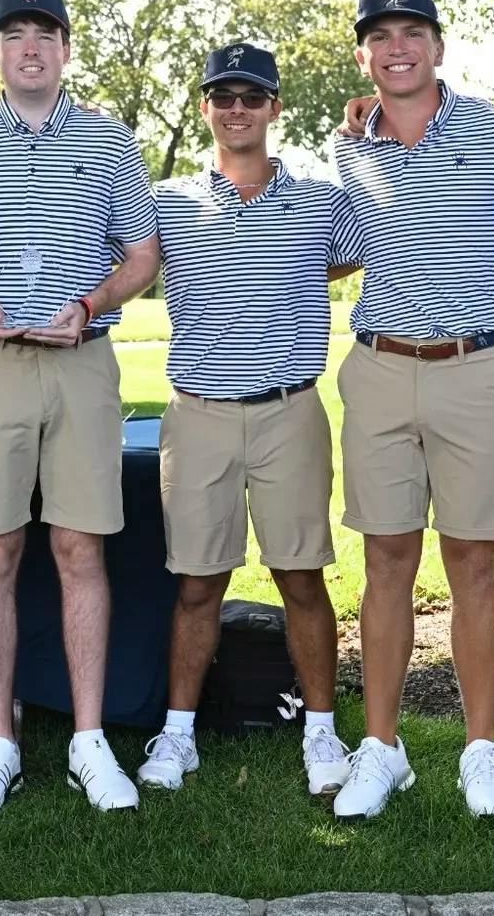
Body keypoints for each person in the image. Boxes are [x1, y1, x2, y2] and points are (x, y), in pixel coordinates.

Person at [0, 0, 162, 812]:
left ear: (64, 50)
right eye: (14, 34)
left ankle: (89, 740)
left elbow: (141, 255)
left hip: (82, 361)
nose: (30, 48)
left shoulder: (109, 141)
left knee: (80, 550)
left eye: (44, 34)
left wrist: (90, 304)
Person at [328, 0, 494, 821]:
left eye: (412, 33)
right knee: (387, 560)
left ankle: (481, 751)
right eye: (381, 37)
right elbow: (333, 251)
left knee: (472, 564)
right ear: (365, 56)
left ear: (438, 46)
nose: (397, 48)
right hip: (381, 369)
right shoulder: (347, 150)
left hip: (476, 370)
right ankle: (382, 749)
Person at [135, 43, 361, 797]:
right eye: (223, 97)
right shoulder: (165, 201)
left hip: (288, 413)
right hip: (198, 416)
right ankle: (177, 736)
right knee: (199, 584)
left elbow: (366, 242)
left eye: (252, 97)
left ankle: (323, 733)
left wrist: (362, 133)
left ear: (274, 108)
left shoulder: (321, 200)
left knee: (301, 577)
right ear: (205, 107)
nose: (237, 109)